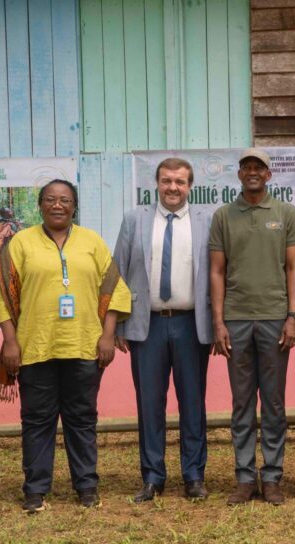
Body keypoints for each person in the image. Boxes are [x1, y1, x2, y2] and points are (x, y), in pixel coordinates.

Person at [0, 179, 131, 513]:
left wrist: (108, 335)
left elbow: (115, 289)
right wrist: (10, 342)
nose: (58, 205)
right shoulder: (20, 243)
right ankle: (36, 490)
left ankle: (86, 486)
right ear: (39, 205)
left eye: (65, 200)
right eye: (51, 199)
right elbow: (1, 296)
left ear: (74, 206)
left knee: (81, 419)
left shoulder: (91, 242)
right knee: (37, 420)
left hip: (84, 346)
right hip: (34, 348)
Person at [113, 158, 213, 502]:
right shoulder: (134, 220)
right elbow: (119, 274)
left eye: (181, 182)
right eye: (167, 181)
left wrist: (218, 325)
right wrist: (118, 326)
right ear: (155, 183)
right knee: (150, 404)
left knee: (193, 403)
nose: (173, 188)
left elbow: (217, 275)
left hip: (191, 325)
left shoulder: (207, 222)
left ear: (190, 186)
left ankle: (194, 475)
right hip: (147, 325)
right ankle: (153, 477)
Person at [209, 148, 295, 506]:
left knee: (274, 403)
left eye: (258, 168)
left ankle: (273, 476)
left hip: (275, 319)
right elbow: (217, 271)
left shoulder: (285, 213)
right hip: (235, 320)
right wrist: (218, 322)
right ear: (239, 175)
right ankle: (245, 477)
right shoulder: (223, 216)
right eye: (246, 167)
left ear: (269, 174)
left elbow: (294, 268)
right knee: (242, 402)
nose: (252, 172)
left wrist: (293, 316)